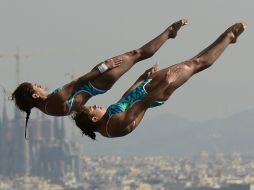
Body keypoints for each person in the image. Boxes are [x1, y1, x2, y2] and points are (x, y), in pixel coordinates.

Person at [11, 19, 188, 138]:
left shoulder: (50, 109)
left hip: (98, 85)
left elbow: (78, 106)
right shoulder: (53, 101)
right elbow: (77, 82)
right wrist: (104, 67)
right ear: (34, 95)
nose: (40, 85)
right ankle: (169, 32)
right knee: (137, 54)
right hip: (98, 80)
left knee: (137, 55)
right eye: (36, 86)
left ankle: (169, 33)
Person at [73, 22, 247, 140]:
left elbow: (125, 100)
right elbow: (142, 105)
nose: (94, 105)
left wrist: (141, 79)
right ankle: (229, 37)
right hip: (156, 94)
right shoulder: (113, 126)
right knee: (194, 65)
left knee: (191, 61)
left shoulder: (107, 119)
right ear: (94, 119)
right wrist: (165, 83)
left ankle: (222, 38)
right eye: (92, 109)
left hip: (145, 89)